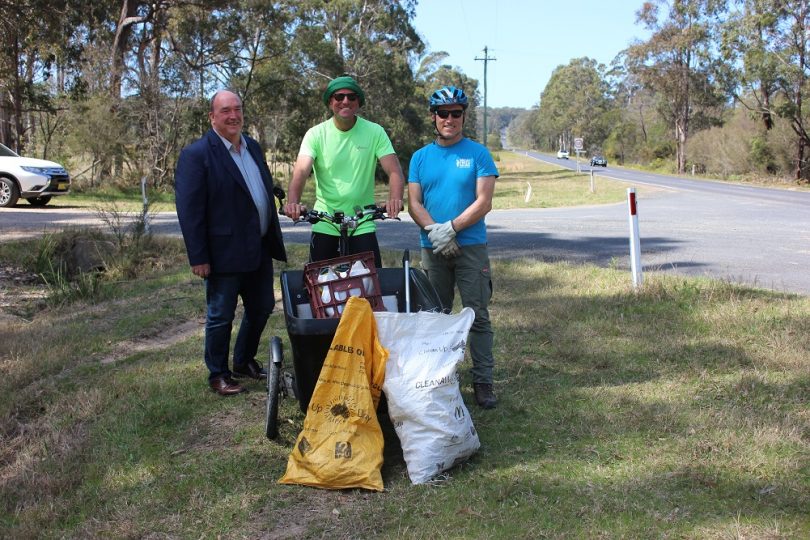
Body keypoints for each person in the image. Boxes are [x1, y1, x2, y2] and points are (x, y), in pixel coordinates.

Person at [175, 90, 287, 396]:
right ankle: (218, 373)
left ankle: (243, 360)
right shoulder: (197, 155)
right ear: (212, 117)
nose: (233, 115)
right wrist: (198, 256)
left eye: (237, 109)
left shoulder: (252, 146)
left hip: (258, 247)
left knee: (262, 306)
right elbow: (189, 210)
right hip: (223, 253)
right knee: (221, 315)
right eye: (225, 110)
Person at [407, 86, 500, 409]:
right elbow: (414, 203)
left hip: (471, 246)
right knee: (436, 316)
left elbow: (484, 201)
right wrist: (436, 232)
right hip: (432, 247)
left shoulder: (478, 154)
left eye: (455, 113)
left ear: (463, 116)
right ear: (433, 117)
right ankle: (440, 378)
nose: (449, 119)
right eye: (443, 113)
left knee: (477, 314)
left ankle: (483, 381)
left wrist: (452, 229)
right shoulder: (420, 157)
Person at [283, 76, 404, 268]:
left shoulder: (375, 132)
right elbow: (301, 172)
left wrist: (395, 199)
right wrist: (292, 203)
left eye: (351, 97)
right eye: (339, 97)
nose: (345, 101)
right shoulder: (316, 134)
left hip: (362, 221)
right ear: (330, 102)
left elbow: (394, 170)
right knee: (318, 287)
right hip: (326, 220)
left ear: (358, 102)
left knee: (372, 285)